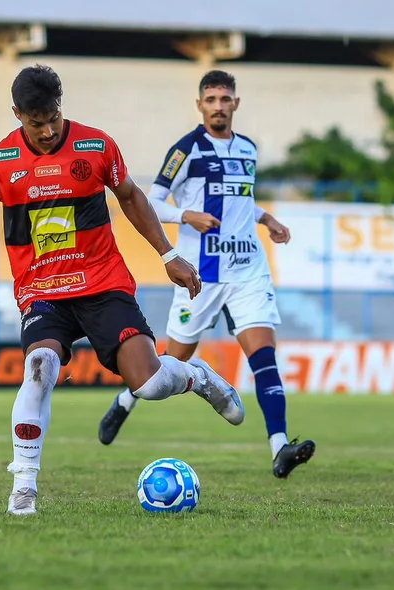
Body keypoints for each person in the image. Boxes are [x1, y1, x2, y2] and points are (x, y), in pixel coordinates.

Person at [0, 64, 244, 516]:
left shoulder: (96, 146)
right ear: (16, 115)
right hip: (42, 290)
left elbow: (132, 198)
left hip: (103, 283)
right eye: (35, 122)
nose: (46, 131)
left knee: (148, 385)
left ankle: (195, 376)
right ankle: (24, 486)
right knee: (40, 365)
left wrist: (167, 255)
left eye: (53, 118)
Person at [97, 70, 316, 479]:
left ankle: (279, 447)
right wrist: (186, 215)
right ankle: (125, 403)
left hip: (247, 267)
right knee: (172, 360)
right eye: (211, 99)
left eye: (225, 99)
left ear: (235, 103)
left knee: (264, 355)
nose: (218, 106)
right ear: (199, 105)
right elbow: (149, 202)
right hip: (202, 275)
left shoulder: (248, 150)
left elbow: (241, 202)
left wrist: (267, 218)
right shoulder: (186, 151)